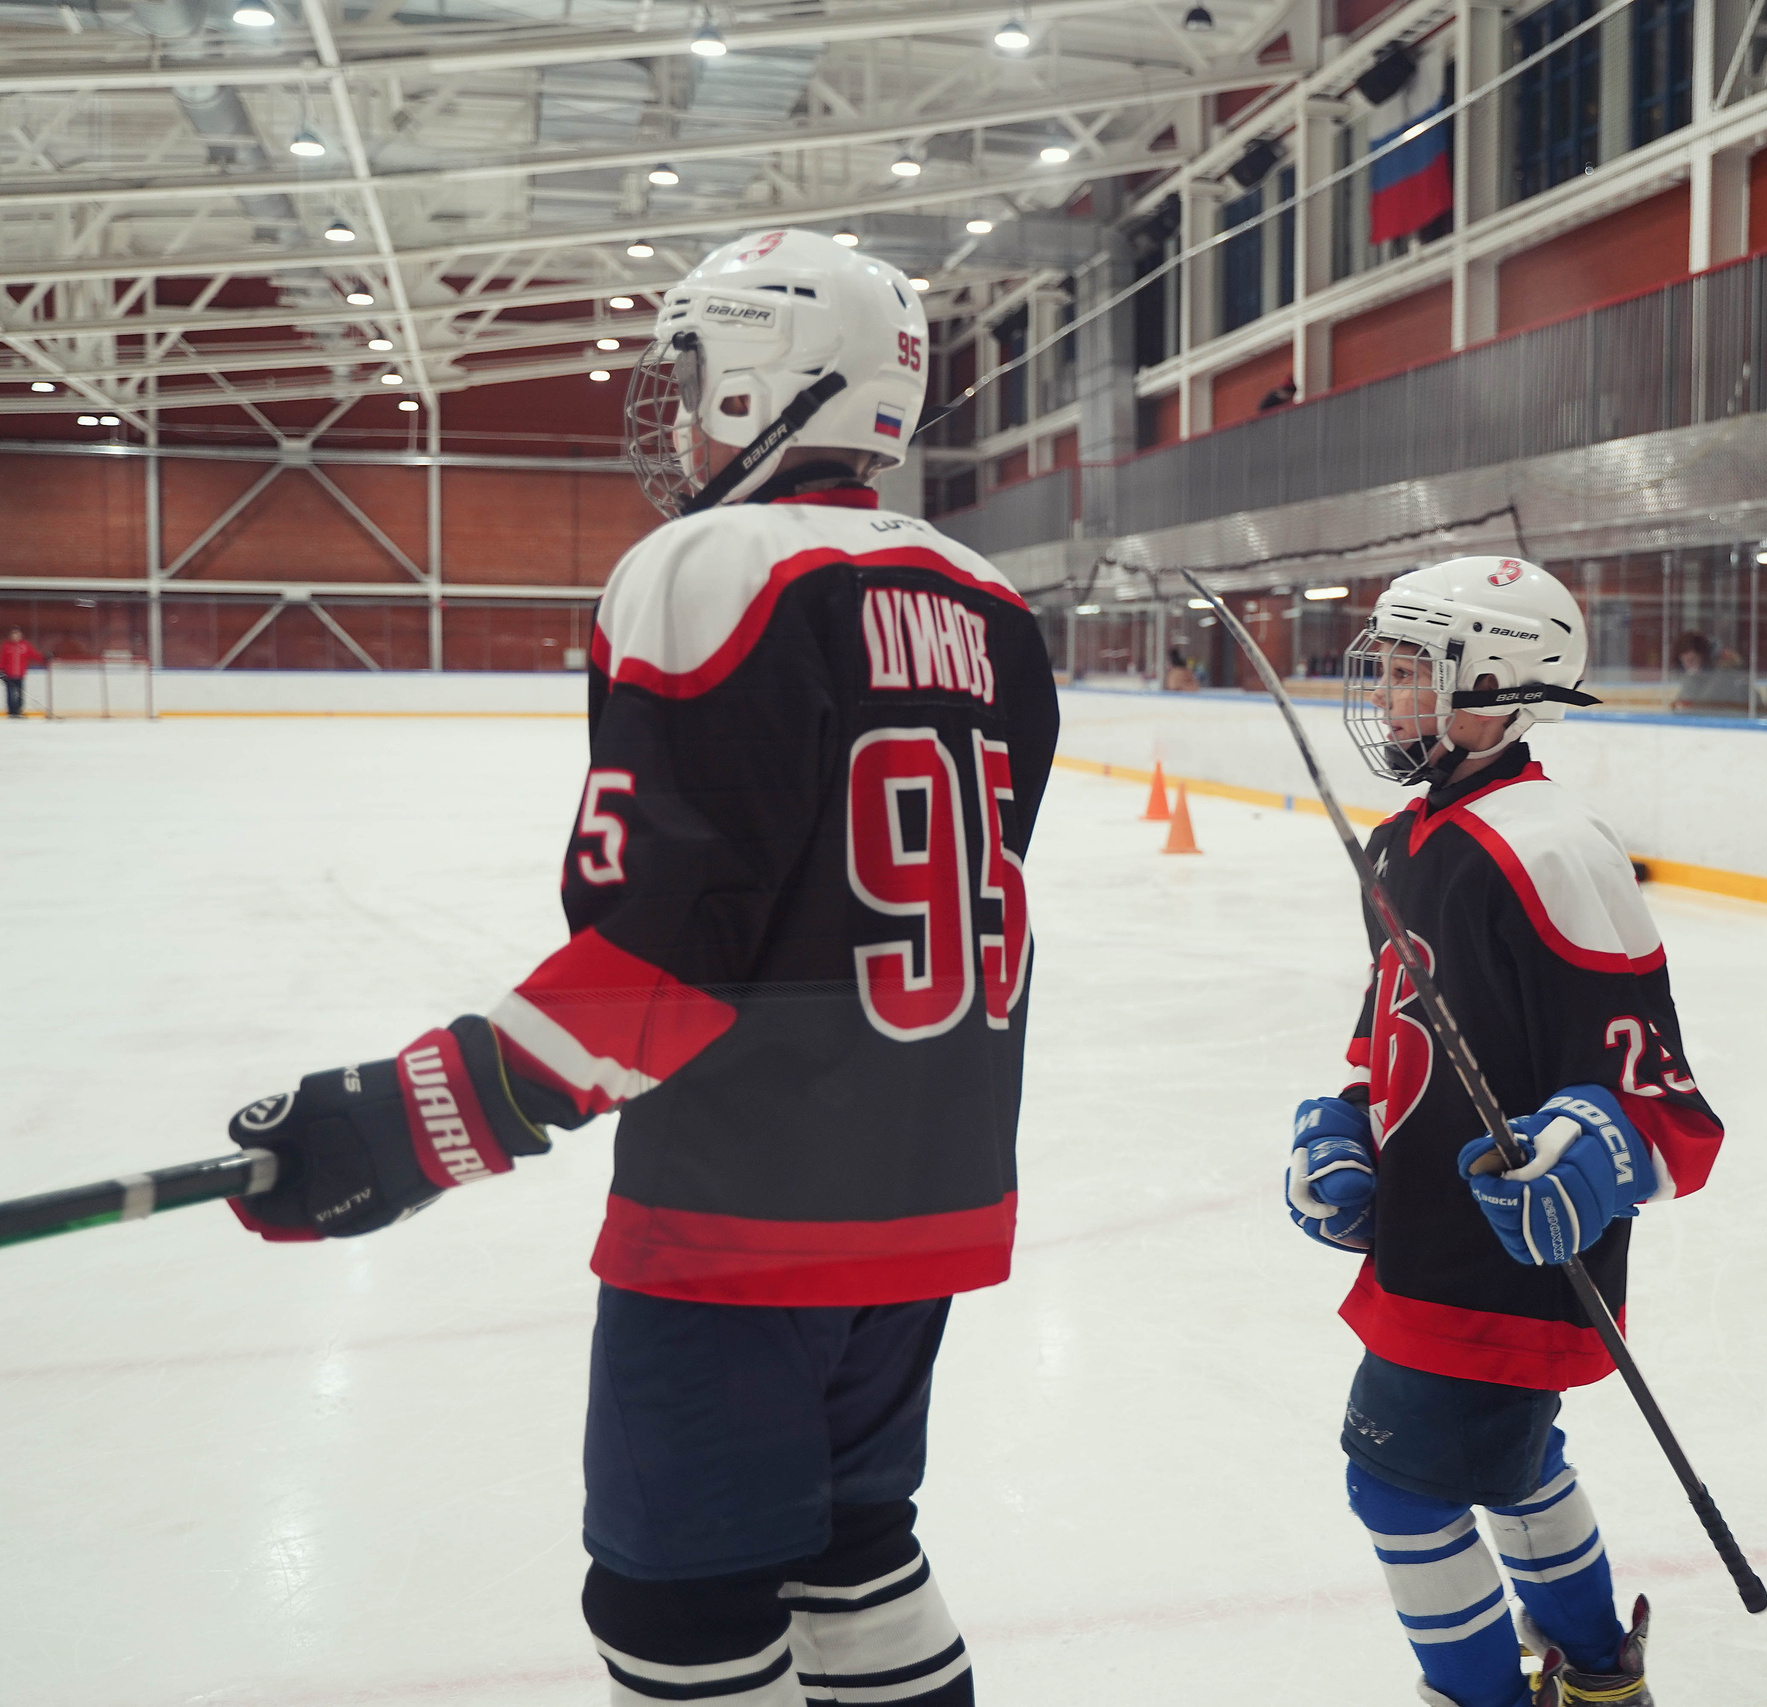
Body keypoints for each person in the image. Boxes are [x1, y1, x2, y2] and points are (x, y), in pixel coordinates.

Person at [216, 228, 1058, 1707]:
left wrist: (414, 1121)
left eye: (693, 371)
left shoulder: (709, 566)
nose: (674, 415)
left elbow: (672, 942)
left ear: (765, 381)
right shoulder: (988, 599)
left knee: (675, 1604)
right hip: (936, 1182)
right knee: (855, 1547)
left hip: (748, 1208)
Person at [1286, 556, 1727, 1707]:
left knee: (1397, 1490)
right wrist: (1347, 1127)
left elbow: (1661, 1102)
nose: (1385, 695)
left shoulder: (1549, 847)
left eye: (1410, 672)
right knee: (1519, 1470)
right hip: (1426, 1240)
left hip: (1507, 1261)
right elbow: (1390, 1038)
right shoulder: (1404, 840)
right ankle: (1600, 1675)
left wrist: (1596, 1151)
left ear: (1491, 684)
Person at [1667, 630, 1750, 716]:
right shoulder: (1692, 679)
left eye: (1692, 659)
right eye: (1683, 661)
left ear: (1703, 657)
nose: (1687, 666)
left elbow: (1698, 708)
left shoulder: (1722, 677)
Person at [1, 626, 41, 718]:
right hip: (9, 675)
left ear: (21, 635)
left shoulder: (25, 645)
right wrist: (1, 670)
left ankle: (18, 710)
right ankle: (12, 711)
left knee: (20, 693)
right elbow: (2, 659)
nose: (15, 636)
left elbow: (34, 655)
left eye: (17, 634)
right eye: (13, 634)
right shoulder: (6, 646)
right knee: (10, 693)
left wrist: (44, 658)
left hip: (20, 674)